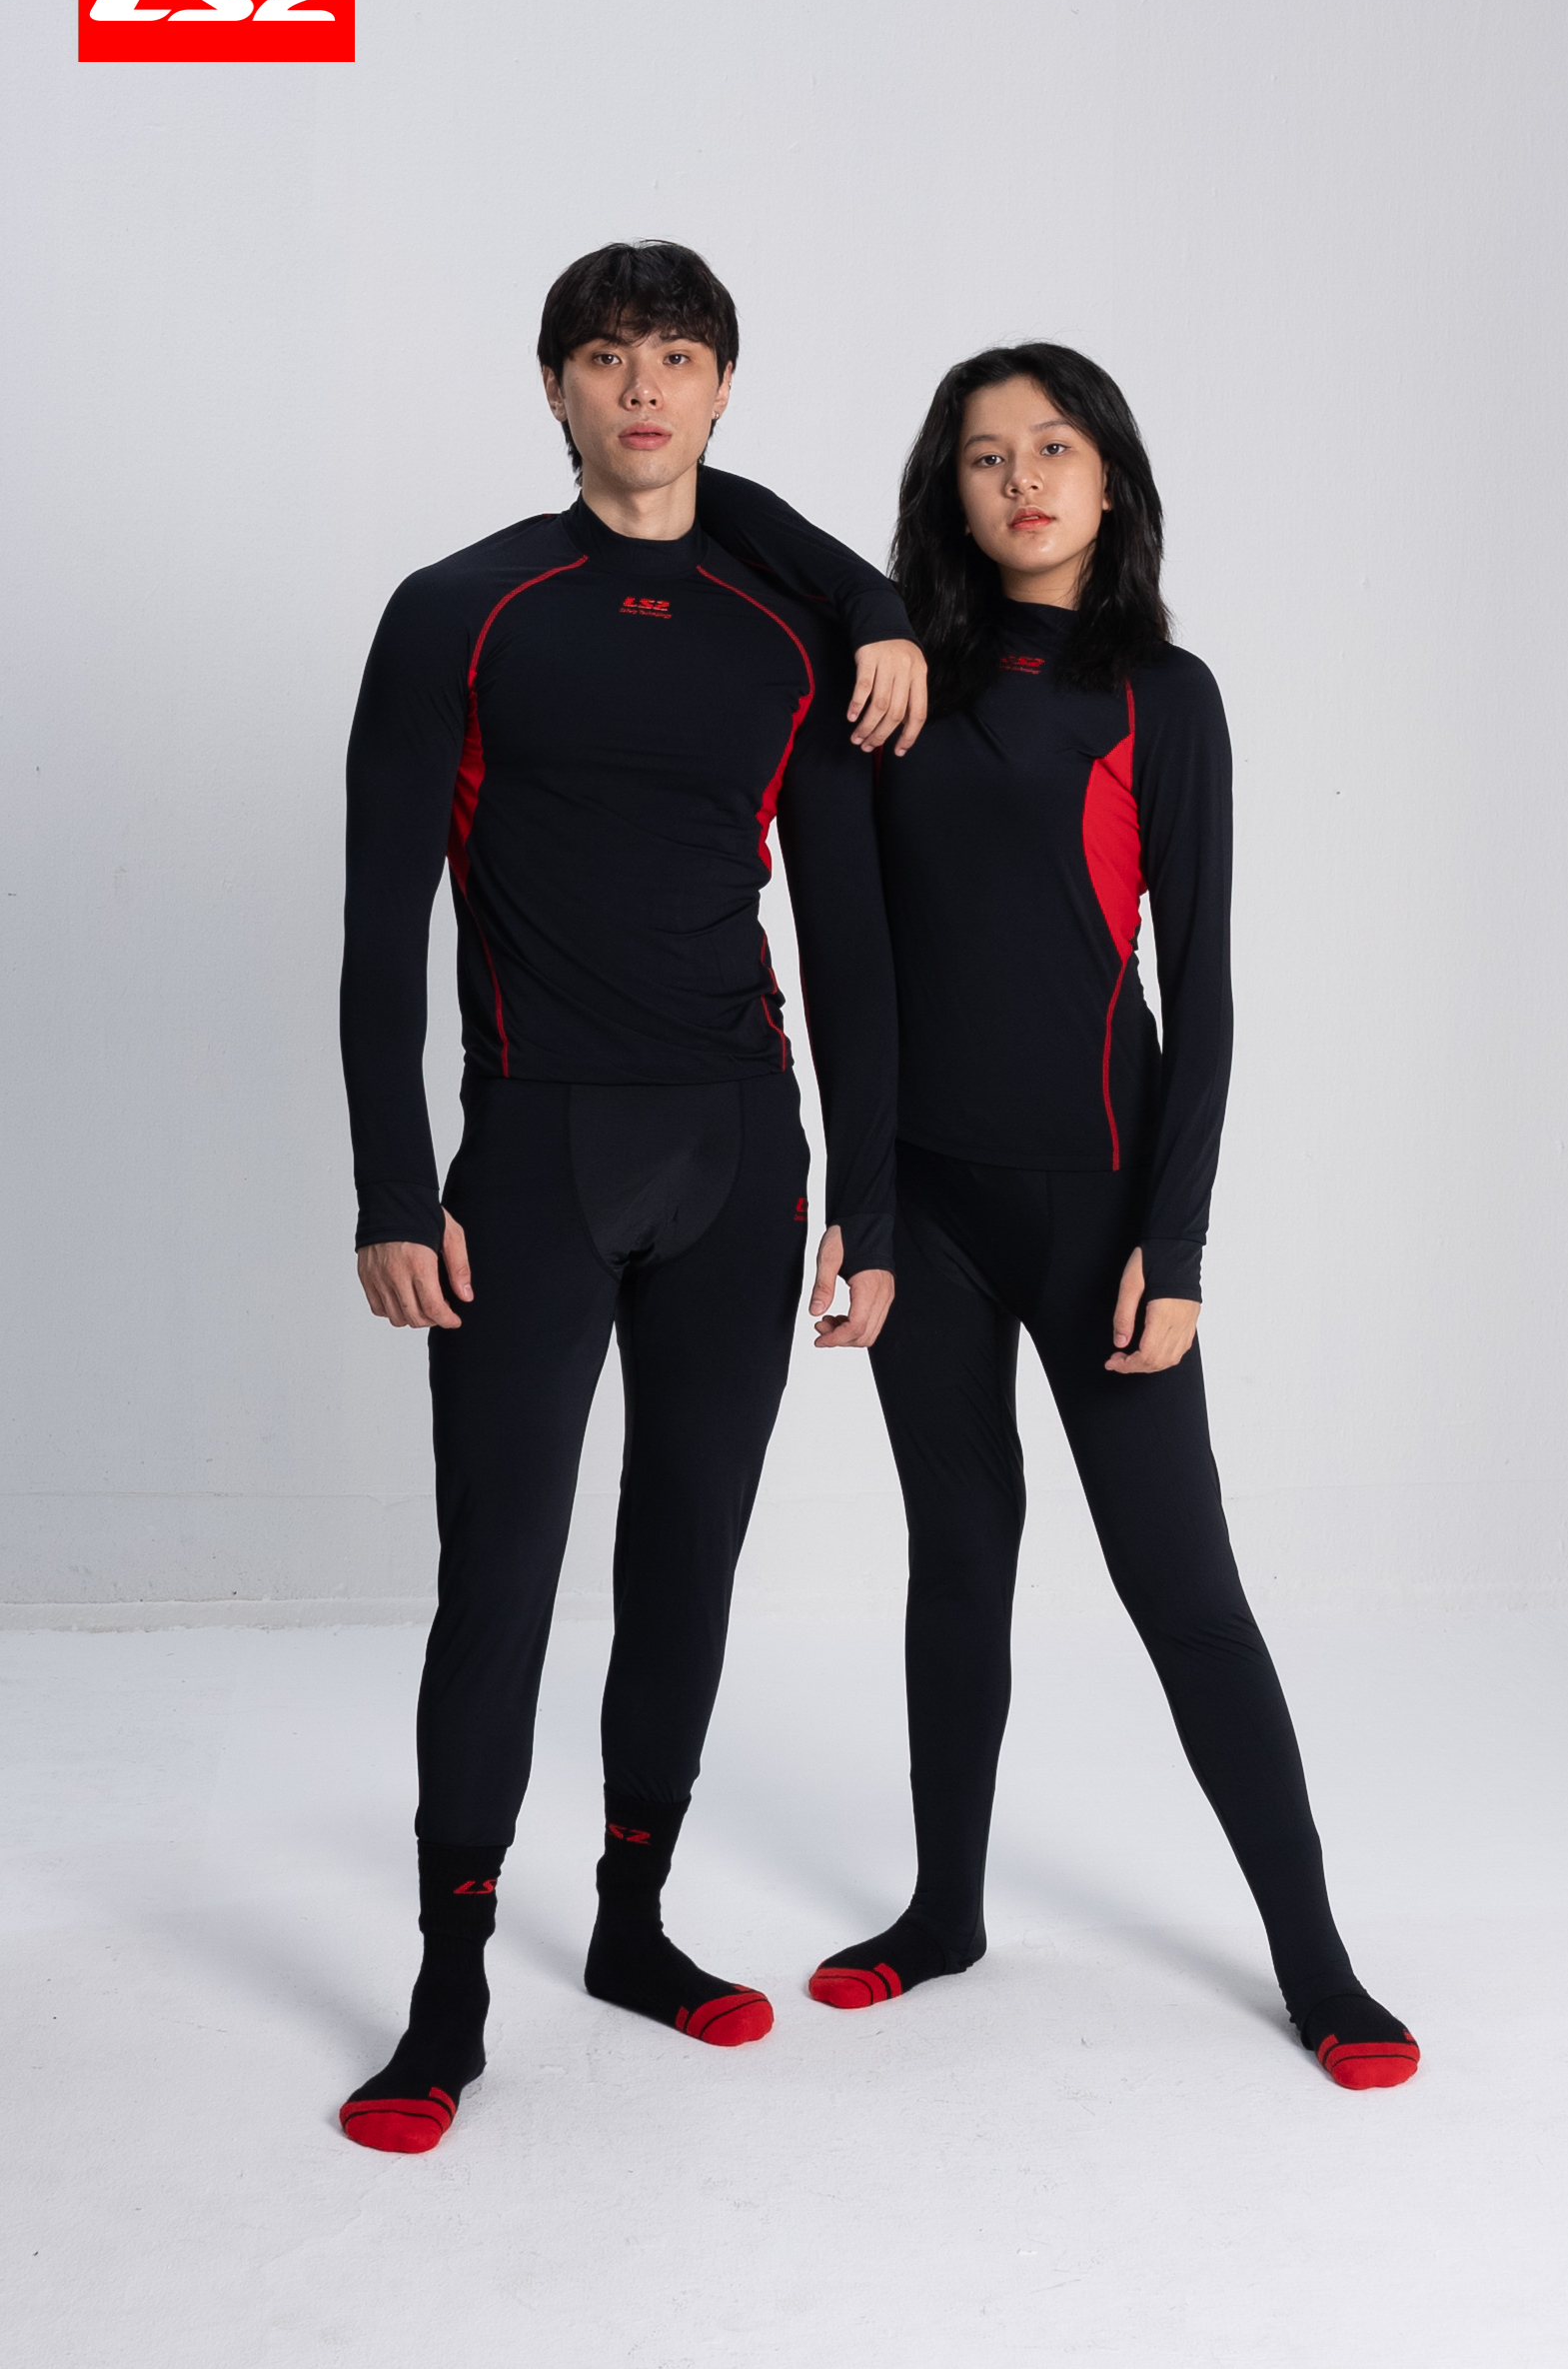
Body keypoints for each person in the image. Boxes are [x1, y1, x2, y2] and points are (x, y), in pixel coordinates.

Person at [337, 240, 925, 2153]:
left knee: (685, 1556)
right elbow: (378, 924)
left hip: (740, 1152)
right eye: (606, 356)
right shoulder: (462, 610)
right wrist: (391, 1186)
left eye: (677, 354)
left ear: (723, 387)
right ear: (556, 387)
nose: (643, 385)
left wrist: (869, 1206)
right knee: (500, 1575)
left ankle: (631, 1923)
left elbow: (850, 941)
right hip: (534, 1151)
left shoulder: (787, 638)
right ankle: (445, 1989)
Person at [802, 345, 1420, 2093]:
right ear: (945, 489)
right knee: (957, 1555)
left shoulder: (1162, 693)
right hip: (926, 1206)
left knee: (1181, 1587)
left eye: (1052, 447)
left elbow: (1198, 991)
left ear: (1108, 478)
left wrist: (1178, 1242)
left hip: (1100, 1214)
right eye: (983, 455)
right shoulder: (889, 689)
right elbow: (850, 974)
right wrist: (860, 1212)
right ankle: (942, 1912)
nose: (1021, 480)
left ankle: (1316, 1963)